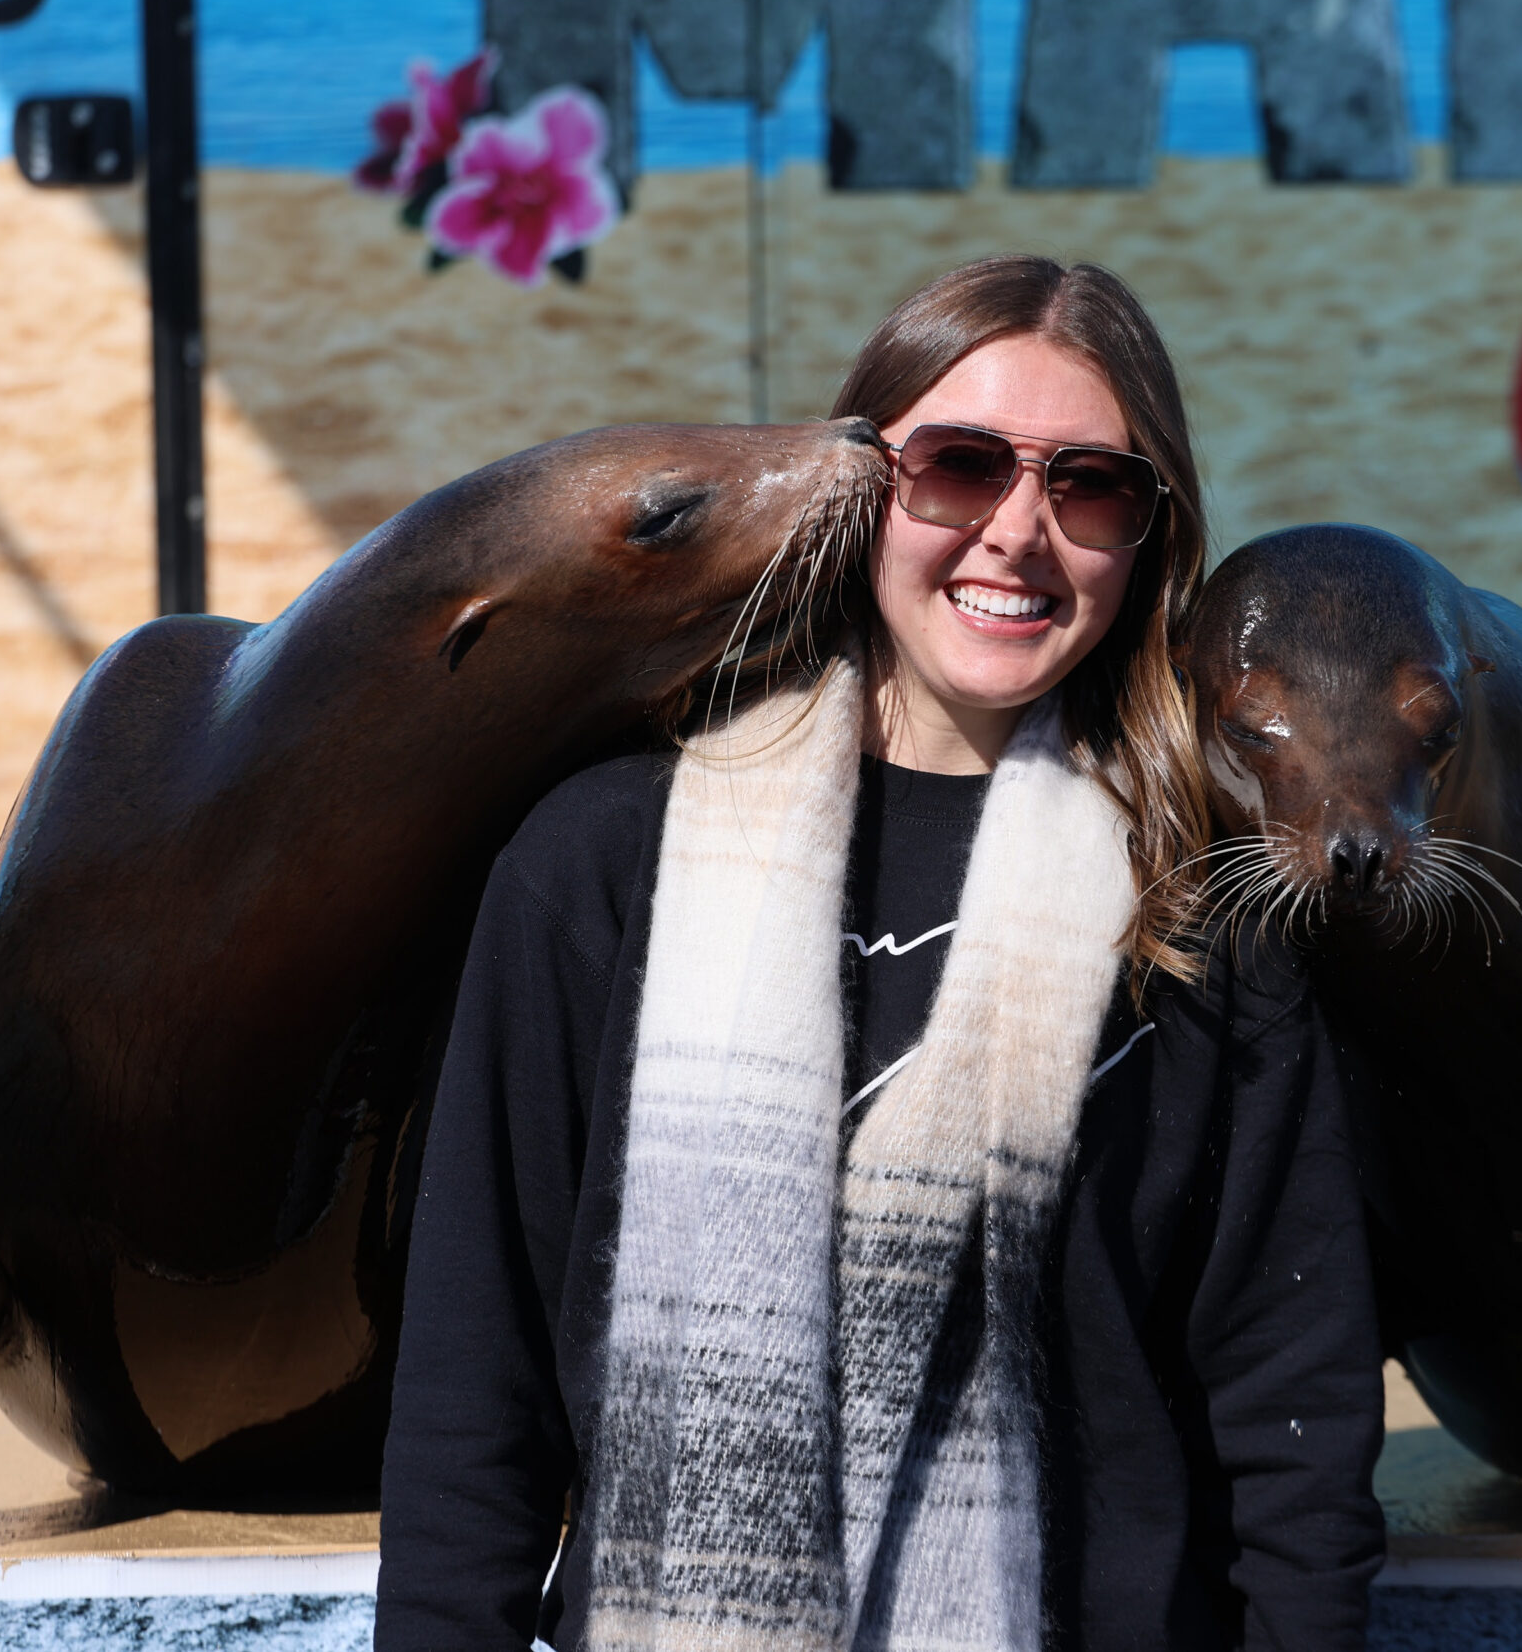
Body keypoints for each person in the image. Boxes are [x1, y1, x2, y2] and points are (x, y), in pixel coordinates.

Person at [376, 255, 1384, 1651]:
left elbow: (1295, 1421)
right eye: (962, 466)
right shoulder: (601, 867)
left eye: (1092, 488)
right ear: (865, 487)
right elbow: (472, 1389)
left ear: (1149, 542)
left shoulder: (1202, 923)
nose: (1020, 533)